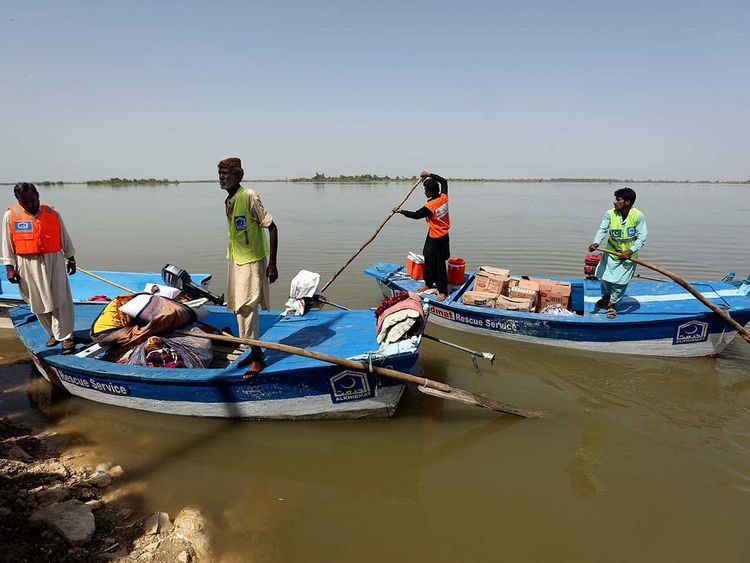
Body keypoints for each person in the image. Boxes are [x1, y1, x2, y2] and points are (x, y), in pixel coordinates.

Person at [218, 157, 278, 377]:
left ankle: (258, 357)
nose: (223, 178)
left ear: (238, 176)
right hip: (236, 260)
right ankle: (253, 351)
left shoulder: (249, 196)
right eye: (220, 174)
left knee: (248, 307)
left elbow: (272, 228)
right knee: (237, 307)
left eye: (227, 174)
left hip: (252, 260)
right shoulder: (229, 200)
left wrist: (272, 263)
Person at [2, 182, 77, 350]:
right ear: (17, 199)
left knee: (61, 297)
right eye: (25, 202)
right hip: (27, 263)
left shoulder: (52, 213)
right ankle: (53, 333)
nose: (30, 205)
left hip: (54, 259)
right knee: (37, 300)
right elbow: (6, 244)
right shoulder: (10, 215)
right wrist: (9, 268)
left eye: (32, 200)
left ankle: (66, 335)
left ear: (37, 196)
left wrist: (71, 258)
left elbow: (64, 235)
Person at [588, 187, 648, 319]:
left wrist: (630, 250)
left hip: (628, 256)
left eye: (618, 199)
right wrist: (596, 243)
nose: (614, 202)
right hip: (611, 252)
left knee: (620, 283)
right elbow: (603, 229)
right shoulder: (610, 214)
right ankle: (605, 297)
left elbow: (642, 236)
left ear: (627, 202)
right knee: (604, 277)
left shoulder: (638, 216)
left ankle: (612, 304)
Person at [393, 171, 450, 301]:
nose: (425, 193)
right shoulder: (444, 197)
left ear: (430, 192)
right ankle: (428, 283)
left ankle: (443, 291)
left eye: (426, 191)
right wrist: (430, 174)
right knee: (428, 257)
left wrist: (401, 211)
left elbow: (415, 215)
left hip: (439, 237)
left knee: (439, 264)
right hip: (432, 234)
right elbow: (444, 181)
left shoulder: (430, 206)